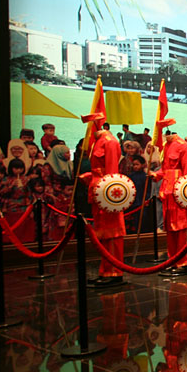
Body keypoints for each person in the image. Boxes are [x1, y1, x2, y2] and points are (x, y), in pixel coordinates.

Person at [79, 122, 126, 287]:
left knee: (112, 232)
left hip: (108, 191)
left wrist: (111, 192)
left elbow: (112, 171)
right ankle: (105, 270)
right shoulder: (97, 141)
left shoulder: (110, 142)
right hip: (98, 189)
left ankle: (114, 271)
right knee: (102, 233)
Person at [152, 130, 187, 276]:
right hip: (166, 191)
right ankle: (173, 260)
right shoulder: (167, 146)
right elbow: (165, 170)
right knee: (170, 228)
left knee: (182, 227)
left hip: (179, 191)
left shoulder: (183, 146)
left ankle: (184, 262)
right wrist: (155, 175)